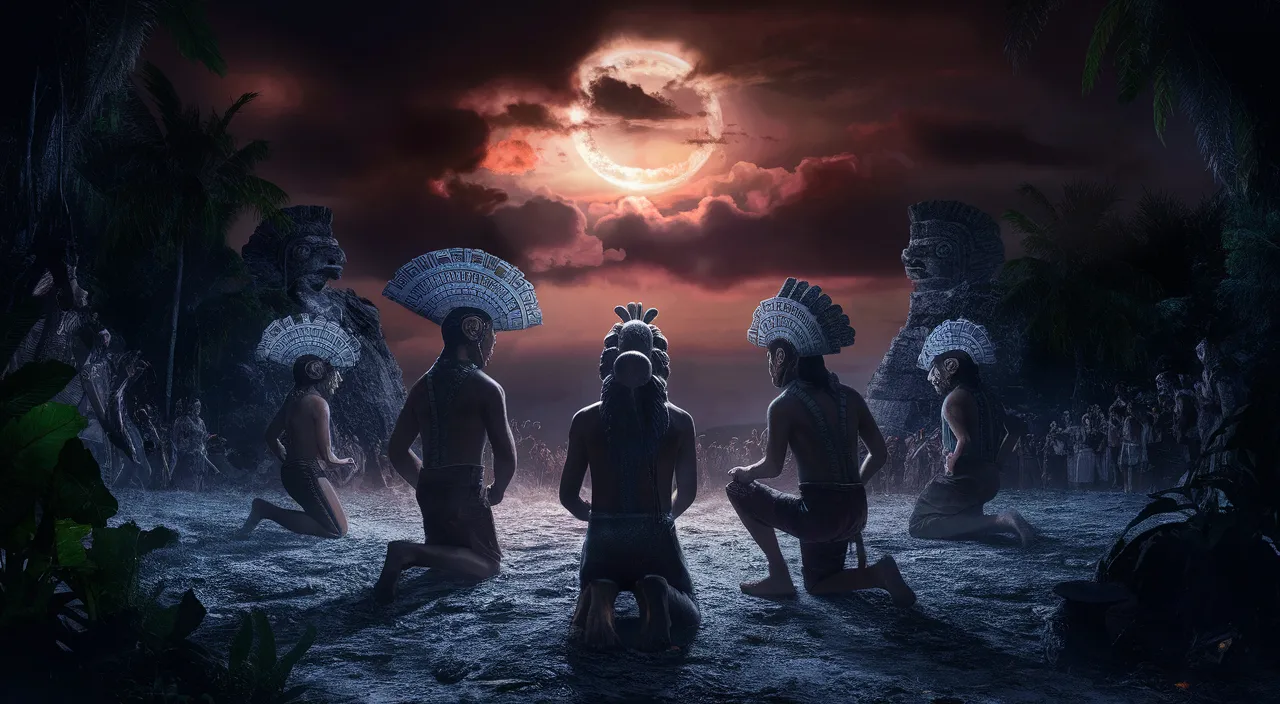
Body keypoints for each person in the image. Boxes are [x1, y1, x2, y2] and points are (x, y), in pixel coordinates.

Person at [726, 278, 915, 604]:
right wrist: (853, 485)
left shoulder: (784, 405)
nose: (769, 364)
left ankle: (778, 575)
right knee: (818, 583)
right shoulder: (851, 397)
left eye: (771, 355)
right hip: (855, 510)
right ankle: (878, 573)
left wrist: (746, 472)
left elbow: (771, 467)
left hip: (819, 515)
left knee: (737, 489)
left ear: (783, 356)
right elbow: (880, 455)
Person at [373, 248, 542, 603]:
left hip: (429, 489)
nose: (493, 343)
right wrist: (496, 490)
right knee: (488, 562)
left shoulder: (422, 386)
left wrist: (424, 480)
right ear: (473, 330)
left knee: (448, 557)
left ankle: (421, 553)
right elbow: (505, 454)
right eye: (491, 334)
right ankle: (406, 553)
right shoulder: (486, 387)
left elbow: (396, 450)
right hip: (465, 492)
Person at [559, 302, 701, 650]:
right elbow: (687, 492)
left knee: (596, 577)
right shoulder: (680, 421)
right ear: (659, 361)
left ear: (610, 361)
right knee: (691, 610)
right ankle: (657, 588)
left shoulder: (585, 420)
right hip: (656, 536)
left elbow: (568, 496)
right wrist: (663, 519)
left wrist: (597, 519)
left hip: (604, 537)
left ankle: (601, 590)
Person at [907, 319, 1034, 545]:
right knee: (965, 520)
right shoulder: (990, 398)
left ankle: (1002, 520)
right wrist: (996, 465)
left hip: (964, 479)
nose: (931, 376)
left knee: (919, 522)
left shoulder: (952, 400)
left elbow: (963, 440)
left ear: (951, 366)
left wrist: (952, 464)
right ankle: (999, 524)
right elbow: (1014, 430)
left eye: (934, 367)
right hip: (989, 480)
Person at [236, 322, 361, 539]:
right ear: (319, 375)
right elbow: (327, 455)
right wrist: (344, 461)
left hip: (294, 472)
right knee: (336, 531)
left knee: (337, 526)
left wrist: (286, 458)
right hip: (307, 471)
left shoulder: (292, 400)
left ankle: (265, 510)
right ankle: (266, 510)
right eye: (332, 373)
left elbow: (270, 436)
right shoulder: (318, 403)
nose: (336, 379)